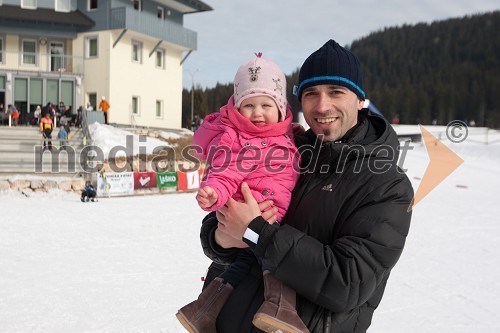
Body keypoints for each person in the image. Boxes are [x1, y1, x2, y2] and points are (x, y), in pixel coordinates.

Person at [197, 39, 414, 332]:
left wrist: (255, 231)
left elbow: (346, 282)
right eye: (311, 94)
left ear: (360, 99)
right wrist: (222, 237)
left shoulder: (386, 185)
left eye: (336, 92)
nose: (322, 106)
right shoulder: (284, 149)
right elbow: (219, 224)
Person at [176, 53, 307, 333]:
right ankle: (280, 307)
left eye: (265, 104)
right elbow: (226, 171)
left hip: (269, 214)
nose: (257, 113)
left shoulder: (290, 135)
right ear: (236, 107)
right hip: (255, 212)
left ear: (281, 108)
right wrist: (215, 192)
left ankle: (204, 309)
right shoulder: (237, 138)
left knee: (246, 262)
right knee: (272, 259)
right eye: (249, 105)